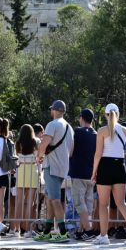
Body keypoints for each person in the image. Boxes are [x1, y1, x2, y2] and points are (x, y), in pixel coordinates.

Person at [91, 103, 126, 245]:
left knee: (103, 204)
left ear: (106, 115)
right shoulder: (124, 130)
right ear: (118, 114)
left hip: (105, 166)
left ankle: (103, 235)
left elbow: (98, 153)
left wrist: (94, 172)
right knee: (121, 202)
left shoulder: (102, 130)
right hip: (120, 165)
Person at [36, 100, 73, 242]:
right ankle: (47, 231)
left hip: (51, 166)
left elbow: (44, 144)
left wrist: (39, 156)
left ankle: (63, 232)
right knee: (50, 199)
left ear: (54, 110)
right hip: (63, 167)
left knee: (55, 200)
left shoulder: (52, 124)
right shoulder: (69, 127)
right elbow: (71, 150)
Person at [70, 108, 98, 241]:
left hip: (78, 172)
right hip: (91, 173)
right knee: (87, 204)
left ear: (81, 118)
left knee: (79, 203)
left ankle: (88, 230)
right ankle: (81, 231)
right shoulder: (96, 134)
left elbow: (71, 149)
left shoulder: (77, 132)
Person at [10, 124, 39, 238]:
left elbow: (16, 158)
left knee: (19, 203)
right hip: (32, 170)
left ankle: (17, 230)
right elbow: (39, 157)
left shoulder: (18, 143)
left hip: (21, 170)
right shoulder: (36, 142)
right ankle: (27, 230)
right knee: (30, 203)